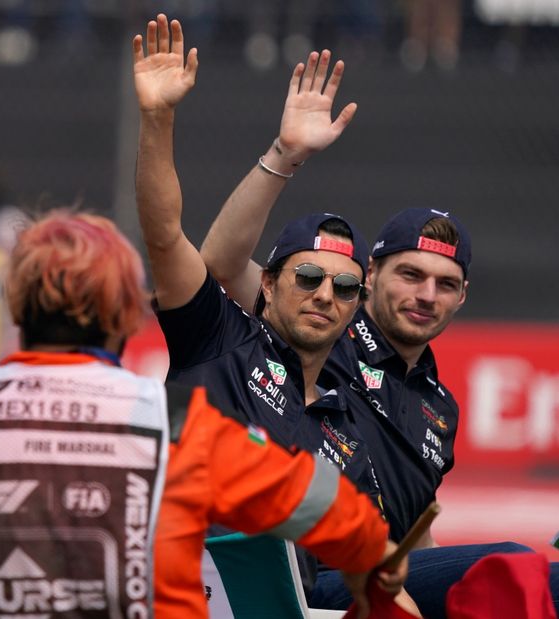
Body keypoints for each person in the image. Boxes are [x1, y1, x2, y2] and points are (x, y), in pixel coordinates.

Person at [0, 209, 404, 618]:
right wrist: (374, 565)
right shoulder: (177, 424)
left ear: (16, 306)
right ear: (128, 315)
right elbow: (337, 516)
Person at [196, 41, 559, 619]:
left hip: (383, 583)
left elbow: (420, 541)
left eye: (445, 283)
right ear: (369, 277)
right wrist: (285, 155)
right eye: (410, 274)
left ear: (463, 296)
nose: (425, 295)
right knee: (517, 565)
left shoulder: (441, 406)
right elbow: (220, 261)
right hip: (314, 578)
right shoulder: (321, 331)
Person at [133, 13, 420, 616]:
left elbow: (360, 552)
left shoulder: (349, 421)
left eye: (345, 289)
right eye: (309, 278)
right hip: (182, 595)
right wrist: (158, 119)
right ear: (267, 282)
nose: (325, 297)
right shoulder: (218, 336)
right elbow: (164, 235)